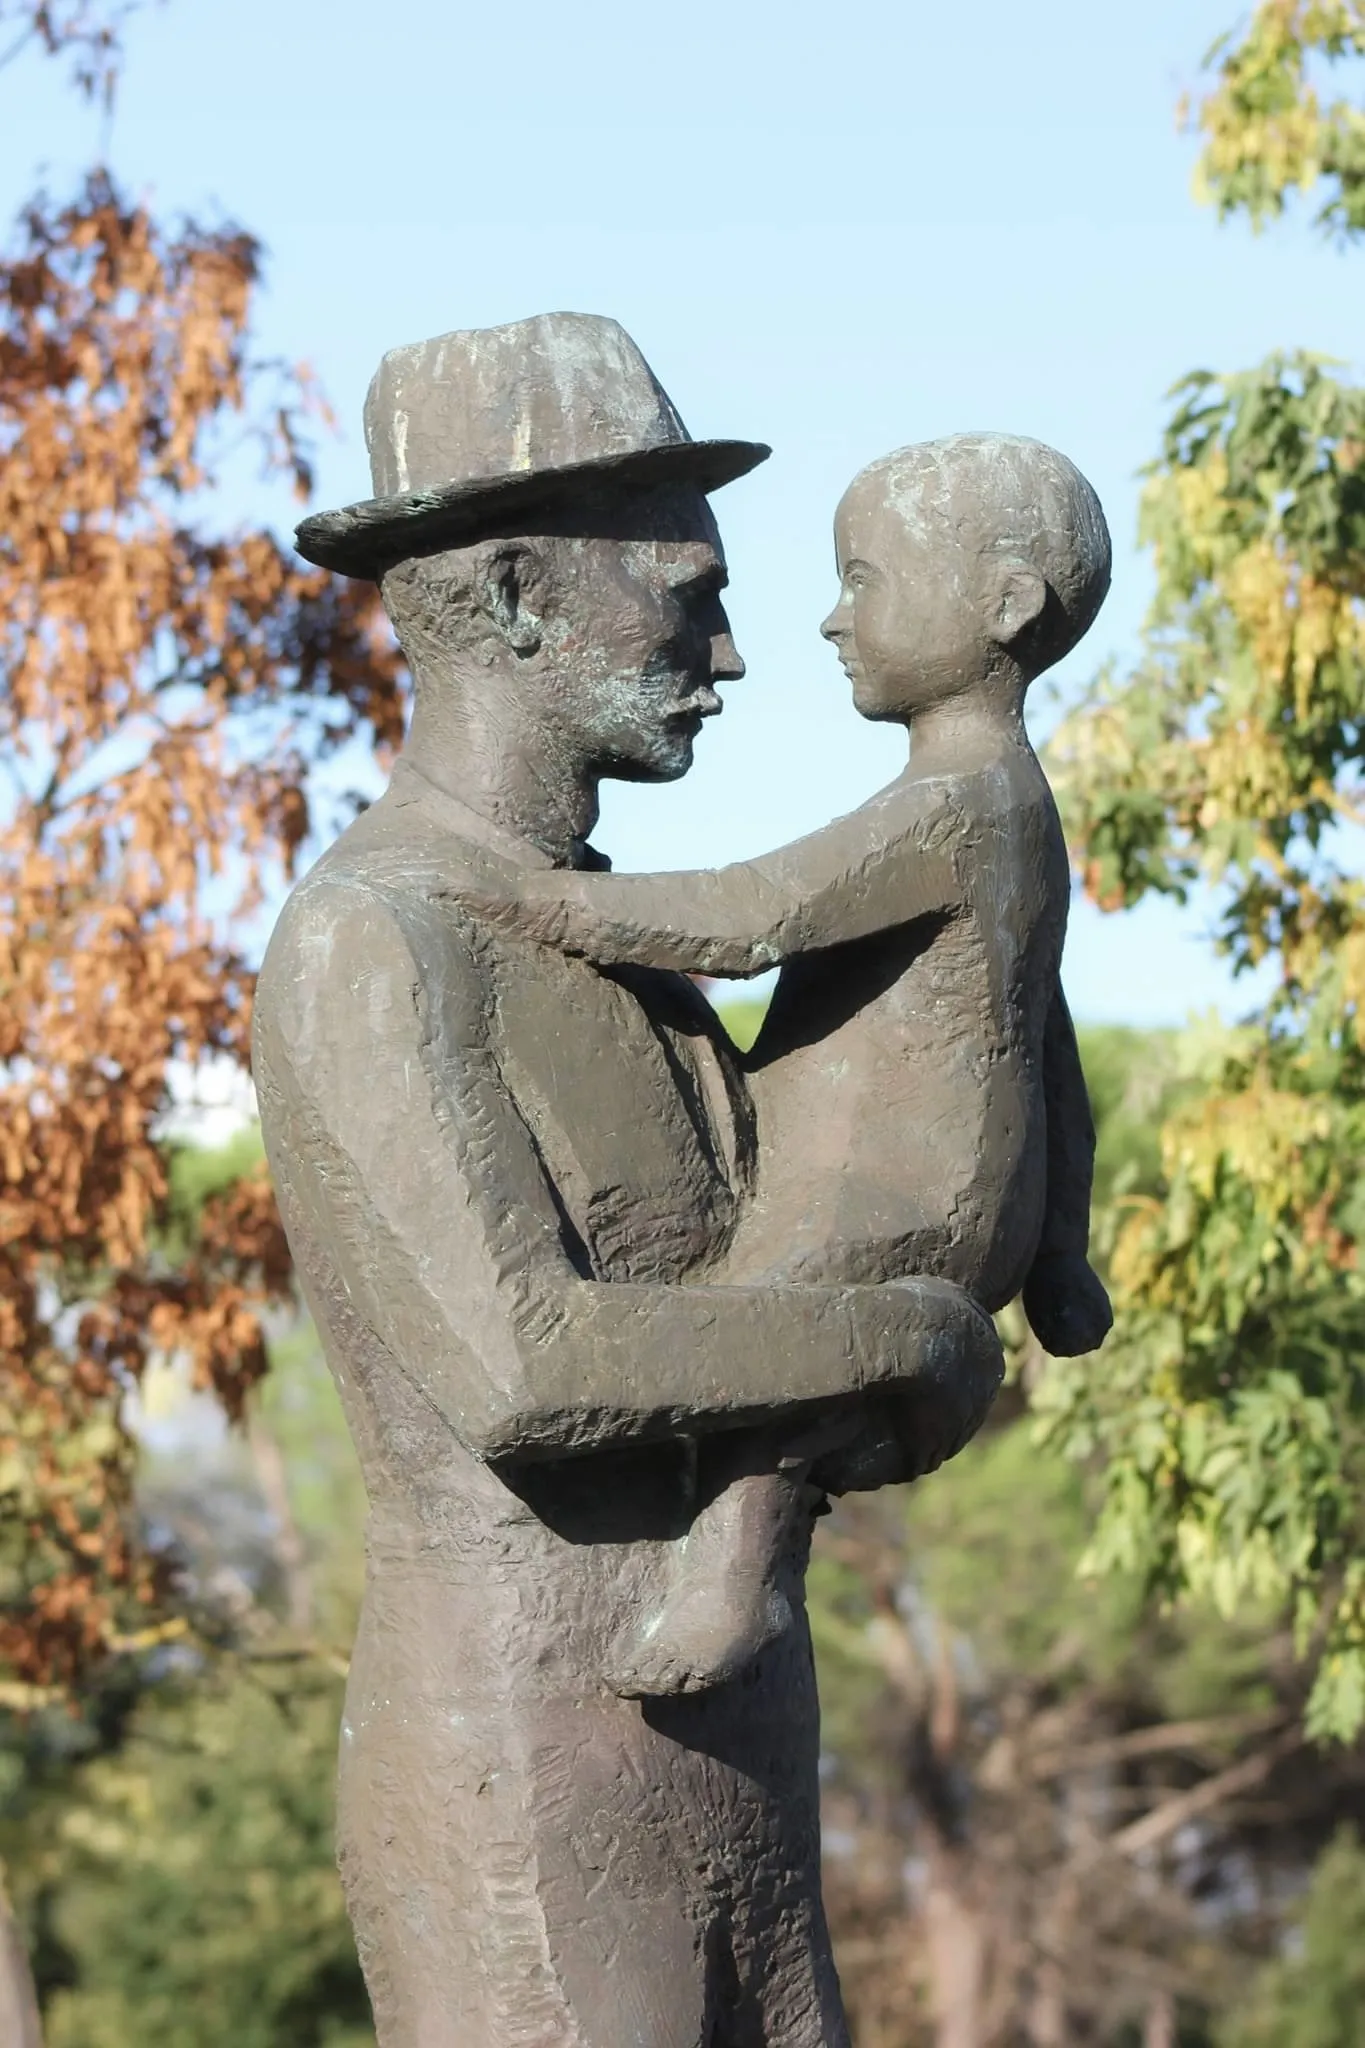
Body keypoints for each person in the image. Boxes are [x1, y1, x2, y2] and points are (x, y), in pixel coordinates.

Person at [253, 315, 1004, 2048]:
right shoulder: (374, 938)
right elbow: (524, 1366)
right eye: (686, 596)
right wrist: (897, 1333)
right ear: (516, 593)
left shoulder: (638, 950)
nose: (732, 652)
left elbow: (772, 1311)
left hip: (734, 1741)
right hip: (523, 1777)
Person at [458, 433, 1116, 1697]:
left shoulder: (955, 804)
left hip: (895, 1204)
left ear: (1006, 604)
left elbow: (753, 915)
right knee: (771, 1359)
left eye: (862, 580)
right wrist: (1060, 1248)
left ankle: (734, 1573)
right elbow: (1050, 1030)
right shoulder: (1012, 811)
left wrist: (543, 901)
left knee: (749, 1345)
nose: (830, 618)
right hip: (965, 1198)